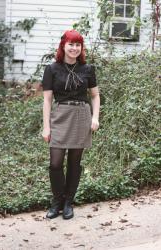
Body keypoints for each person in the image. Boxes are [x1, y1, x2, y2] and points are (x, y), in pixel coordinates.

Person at [42, 29, 100, 220]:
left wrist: (95, 118)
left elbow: (95, 95)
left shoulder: (87, 69)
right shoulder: (52, 69)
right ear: (63, 46)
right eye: (71, 44)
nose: (74, 48)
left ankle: (68, 203)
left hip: (81, 115)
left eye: (78, 45)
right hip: (60, 116)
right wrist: (46, 127)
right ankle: (57, 201)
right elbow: (47, 101)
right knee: (55, 163)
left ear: (81, 48)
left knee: (74, 163)